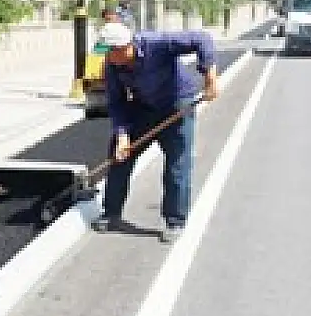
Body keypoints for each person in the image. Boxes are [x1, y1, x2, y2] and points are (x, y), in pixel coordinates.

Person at [90, 20, 219, 242]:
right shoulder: (111, 66)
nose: (106, 58)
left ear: (123, 48)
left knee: (177, 163)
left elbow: (202, 39)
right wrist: (122, 135)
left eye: (109, 52)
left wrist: (209, 78)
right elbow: (117, 102)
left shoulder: (157, 44)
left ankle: (175, 221)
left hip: (177, 104)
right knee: (119, 155)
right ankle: (111, 213)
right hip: (144, 106)